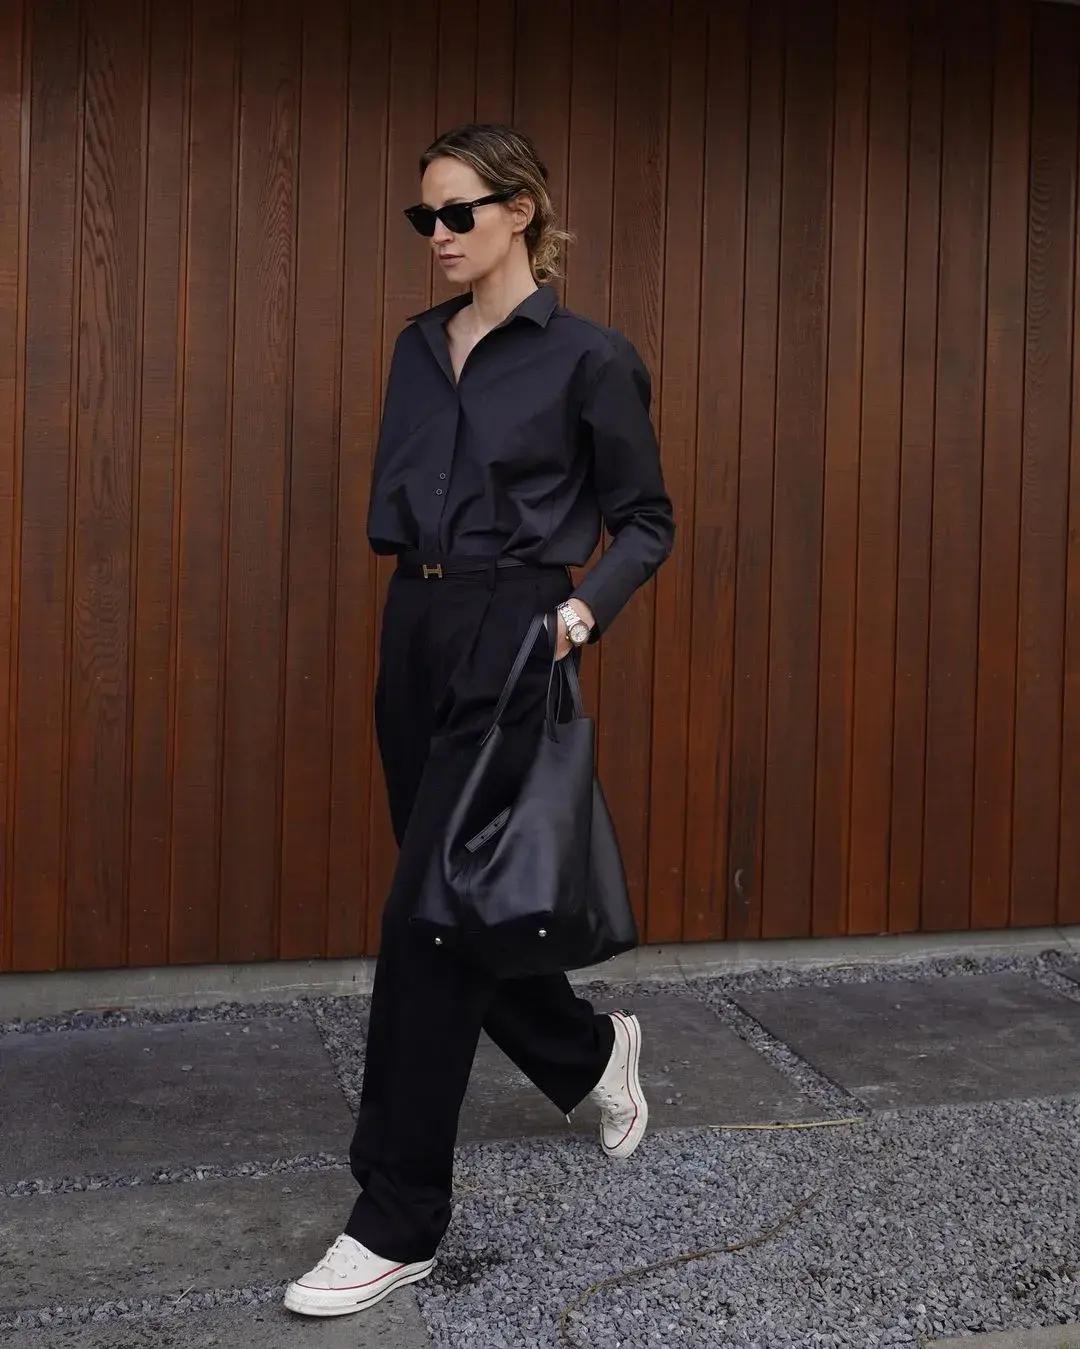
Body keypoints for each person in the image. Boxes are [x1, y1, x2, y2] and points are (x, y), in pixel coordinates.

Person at [284, 122, 675, 1319]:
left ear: (521, 211)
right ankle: (591, 1052)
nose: (440, 234)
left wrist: (576, 616)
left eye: (459, 211)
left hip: (517, 631)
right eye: (427, 216)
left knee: (427, 922)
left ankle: (394, 1216)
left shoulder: (592, 359)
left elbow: (647, 520)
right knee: (454, 899)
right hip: (415, 625)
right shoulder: (417, 347)